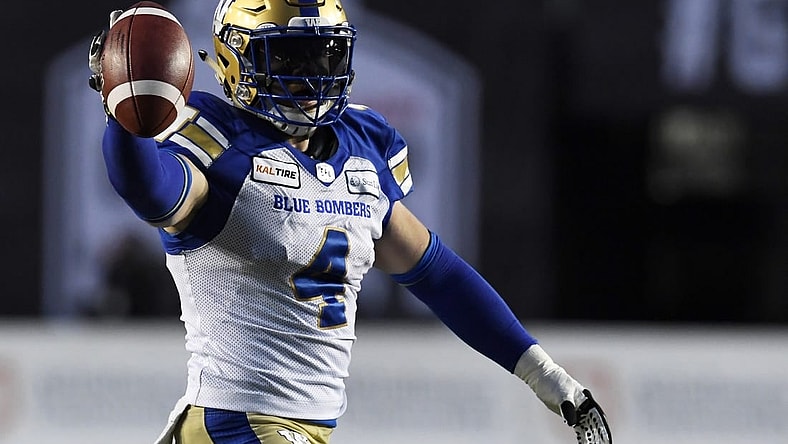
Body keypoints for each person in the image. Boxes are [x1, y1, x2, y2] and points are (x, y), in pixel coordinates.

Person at [88, 1, 612, 443]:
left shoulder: (363, 150)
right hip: (237, 423)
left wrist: (544, 375)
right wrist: (126, 113)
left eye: (325, 53)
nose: (312, 74)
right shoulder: (219, 148)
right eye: (290, 57)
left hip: (299, 428)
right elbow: (148, 189)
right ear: (234, 60)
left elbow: (439, 275)